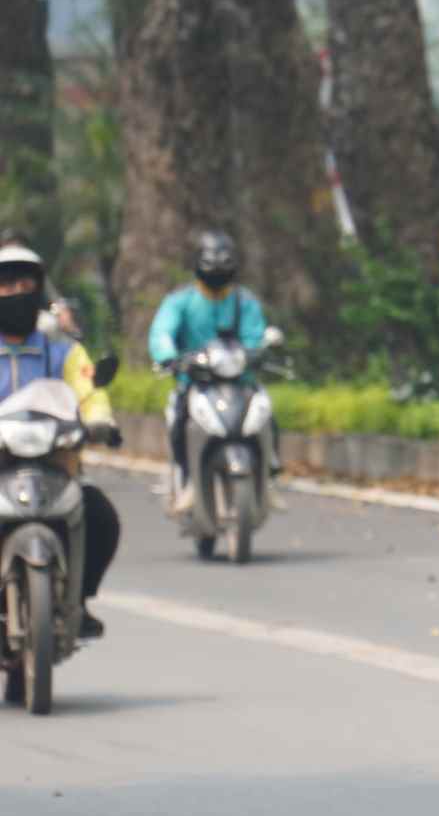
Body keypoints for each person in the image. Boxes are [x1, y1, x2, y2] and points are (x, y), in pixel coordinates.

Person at [0, 240, 121, 638]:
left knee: (100, 516)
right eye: (7, 284)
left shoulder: (62, 348)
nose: (17, 293)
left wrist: (100, 420)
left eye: (25, 285)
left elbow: (88, 389)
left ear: (38, 289)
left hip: (55, 463)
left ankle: (79, 599)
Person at [148, 230, 278, 513]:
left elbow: (256, 337)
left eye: (224, 264)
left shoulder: (245, 302)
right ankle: (186, 479)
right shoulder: (179, 302)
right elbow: (161, 334)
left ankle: (270, 475)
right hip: (195, 383)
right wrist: (169, 357)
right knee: (178, 421)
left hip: (240, 382)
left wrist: (258, 352)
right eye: (211, 264)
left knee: (267, 413)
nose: (217, 271)